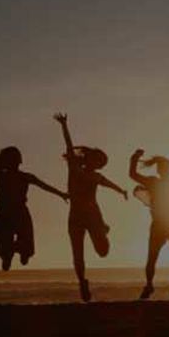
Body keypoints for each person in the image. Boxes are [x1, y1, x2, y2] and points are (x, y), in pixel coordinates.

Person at [0, 129, 68, 271]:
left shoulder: (13, 175)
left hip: (13, 212)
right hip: (8, 213)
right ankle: (10, 254)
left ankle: (15, 252)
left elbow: (44, 186)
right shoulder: (3, 174)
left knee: (19, 244)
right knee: (3, 243)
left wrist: (61, 194)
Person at [54, 113, 127, 302]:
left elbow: (108, 183)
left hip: (93, 216)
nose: (98, 165)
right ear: (89, 159)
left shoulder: (95, 176)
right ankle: (82, 283)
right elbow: (69, 146)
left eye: (100, 163)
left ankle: (103, 230)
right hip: (75, 218)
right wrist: (64, 125)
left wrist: (121, 191)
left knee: (103, 252)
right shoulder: (74, 168)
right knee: (77, 254)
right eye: (96, 160)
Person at [130, 150, 169, 301]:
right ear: (159, 170)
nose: (165, 170)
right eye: (163, 168)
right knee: (153, 258)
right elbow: (133, 175)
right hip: (162, 225)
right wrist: (134, 158)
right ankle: (151, 285)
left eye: (167, 168)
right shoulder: (153, 182)